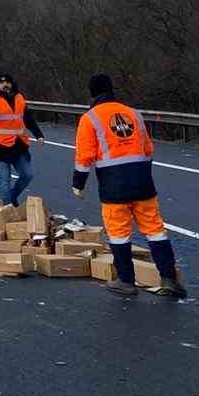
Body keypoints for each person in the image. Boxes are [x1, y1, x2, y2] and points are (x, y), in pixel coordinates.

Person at [72, 73, 186, 298]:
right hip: (143, 182)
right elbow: (148, 149)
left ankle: (126, 281)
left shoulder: (90, 118)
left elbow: (84, 157)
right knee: (155, 230)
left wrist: (78, 184)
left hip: (114, 186)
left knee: (119, 233)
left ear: (92, 93)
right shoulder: (134, 113)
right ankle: (169, 279)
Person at [0, 73, 43, 206]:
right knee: (4, 179)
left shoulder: (19, 98)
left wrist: (39, 135)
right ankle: (8, 209)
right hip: (0, 145)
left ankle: (11, 197)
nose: (5, 85)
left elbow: (28, 119)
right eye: (2, 83)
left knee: (27, 175)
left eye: (8, 83)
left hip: (19, 144)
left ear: (11, 84)